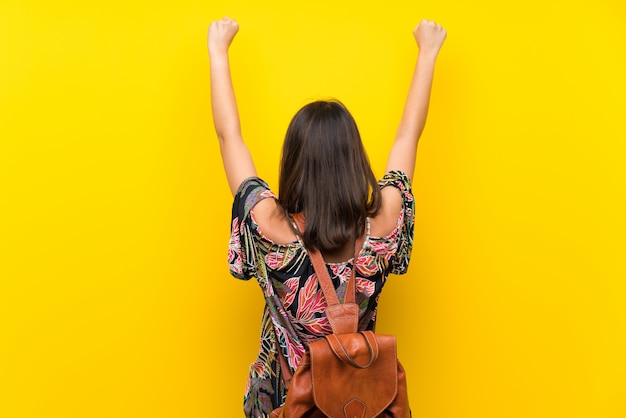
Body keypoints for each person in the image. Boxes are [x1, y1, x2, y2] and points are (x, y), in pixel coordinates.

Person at [208, 16, 446, 417]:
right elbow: (409, 135)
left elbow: (230, 137)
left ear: (294, 162)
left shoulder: (269, 227)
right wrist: (428, 53)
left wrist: (217, 53)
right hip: (360, 403)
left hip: (284, 405)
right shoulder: (383, 226)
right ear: (354, 161)